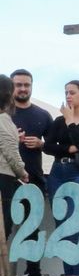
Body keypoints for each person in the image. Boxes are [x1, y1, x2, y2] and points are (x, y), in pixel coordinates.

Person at [41, 80, 79, 276]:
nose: (68, 96)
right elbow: (47, 146)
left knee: (76, 222)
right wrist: (71, 148)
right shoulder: (58, 121)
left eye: (72, 92)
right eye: (66, 92)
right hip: (58, 171)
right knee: (62, 224)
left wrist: (70, 121)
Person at [9, 70, 49, 276]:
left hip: (34, 181)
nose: (23, 89)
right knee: (3, 229)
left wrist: (42, 144)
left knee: (32, 228)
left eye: (27, 84)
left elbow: (56, 145)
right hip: (6, 179)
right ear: (11, 87)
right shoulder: (3, 114)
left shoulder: (43, 115)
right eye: (18, 85)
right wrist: (13, 139)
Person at [0, 75, 30, 261]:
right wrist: (22, 172)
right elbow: (10, 151)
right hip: (4, 178)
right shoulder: (4, 119)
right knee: (3, 228)